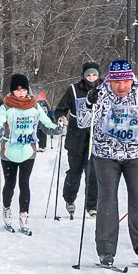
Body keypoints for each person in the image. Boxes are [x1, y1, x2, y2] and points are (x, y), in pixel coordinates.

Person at [84, 59, 138, 269]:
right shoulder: (101, 94)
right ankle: (105, 249)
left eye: (126, 81)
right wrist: (88, 103)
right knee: (107, 198)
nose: (122, 87)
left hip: (135, 153)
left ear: (132, 79)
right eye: (117, 82)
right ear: (110, 80)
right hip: (105, 153)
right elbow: (83, 122)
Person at [0, 74, 57, 232]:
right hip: (9, 152)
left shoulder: (34, 105)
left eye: (23, 89)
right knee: (10, 183)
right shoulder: (6, 106)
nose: (20, 93)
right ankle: (7, 209)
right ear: (12, 91)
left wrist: (57, 128)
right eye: (17, 90)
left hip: (28, 151)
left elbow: (46, 123)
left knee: (24, 183)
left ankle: (24, 215)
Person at [55, 60, 101, 214]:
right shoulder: (73, 90)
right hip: (76, 136)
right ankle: (69, 199)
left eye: (94, 74)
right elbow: (61, 108)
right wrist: (61, 117)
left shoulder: (104, 89)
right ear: (83, 75)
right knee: (75, 171)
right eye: (89, 74)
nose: (91, 77)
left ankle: (92, 205)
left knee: (93, 172)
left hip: (95, 136)